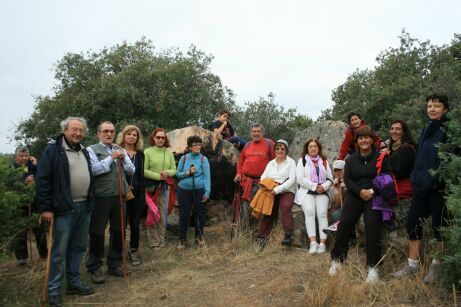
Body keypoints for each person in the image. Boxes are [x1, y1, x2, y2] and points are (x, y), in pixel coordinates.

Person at [36, 117, 95, 306]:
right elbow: (43, 180)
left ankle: (74, 283)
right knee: (59, 252)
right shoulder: (53, 150)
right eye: (74, 130)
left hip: (84, 206)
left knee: (78, 248)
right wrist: (46, 208)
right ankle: (53, 290)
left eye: (81, 130)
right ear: (65, 130)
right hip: (63, 209)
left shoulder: (84, 151)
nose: (78, 133)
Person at [394, 94, 450, 283]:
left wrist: (437, 180)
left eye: (436, 106)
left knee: (439, 227)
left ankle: (437, 266)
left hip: (439, 188)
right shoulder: (428, 128)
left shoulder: (448, 130)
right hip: (421, 187)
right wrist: (416, 178)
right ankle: (412, 265)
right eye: (429, 106)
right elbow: (421, 158)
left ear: (445, 109)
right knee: (412, 223)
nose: (432, 109)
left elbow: (448, 161)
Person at [329, 126, 392, 283]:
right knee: (345, 221)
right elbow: (348, 180)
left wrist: (370, 191)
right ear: (356, 141)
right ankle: (337, 260)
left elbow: (386, 177)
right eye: (360, 138)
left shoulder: (380, 157)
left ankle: (373, 267)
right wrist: (360, 192)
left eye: (366, 137)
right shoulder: (350, 160)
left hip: (374, 194)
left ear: (371, 140)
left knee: (372, 223)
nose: (364, 140)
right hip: (355, 194)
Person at [86, 121, 135, 284]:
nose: (109, 134)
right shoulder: (91, 150)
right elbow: (93, 170)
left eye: (112, 131)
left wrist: (123, 158)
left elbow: (131, 170)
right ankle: (95, 266)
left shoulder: (119, 149)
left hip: (120, 196)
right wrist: (110, 159)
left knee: (118, 231)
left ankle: (114, 264)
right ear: (98, 133)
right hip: (102, 197)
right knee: (98, 232)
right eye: (105, 131)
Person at [295, 139, 333, 254]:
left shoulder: (324, 161)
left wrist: (324, 187)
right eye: (310, 146)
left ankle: (322, 243)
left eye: (315, 146)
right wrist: (315, 186)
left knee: (322, 213)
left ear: (319, 148)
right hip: (307, 191)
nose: (313, 148)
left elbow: (330, 179)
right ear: (307, 148)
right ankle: (313, 242)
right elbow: (300, 179)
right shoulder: (302, 161)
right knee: (310, 212)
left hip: (322, 191)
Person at [11, 146, 48, 266]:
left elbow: (42, 178)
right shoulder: (11, 168)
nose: (24, 158)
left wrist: (36, 165)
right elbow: (9, 186)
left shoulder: (32, 166)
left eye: (26, 156)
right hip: (19, 205)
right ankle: (22, 260)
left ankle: (44, 255)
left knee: (40, 230)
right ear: (16, 156)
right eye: (21, 156)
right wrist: (23, 183)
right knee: (21, 232)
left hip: (35, 203)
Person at [234, 123, 275, 229]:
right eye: (254, 131)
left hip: (263, 183)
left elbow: (275, 162)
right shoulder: (247, 145)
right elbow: (241, 162)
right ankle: (242, 230)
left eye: (258, 131)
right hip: (246, 182)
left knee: (258, 208)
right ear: (251, 133)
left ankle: (255, 231)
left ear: (263, 133)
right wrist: (238, 174)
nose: (256, 133)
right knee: (244, 207)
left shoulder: (269, 143)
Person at [116, 125, 145, 266]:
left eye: (135, 135)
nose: (131, 137)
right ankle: (118, 251)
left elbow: (141, 174)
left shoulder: (140, 154)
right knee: (120, 224)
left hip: (138, 193)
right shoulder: (117, 151)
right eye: (129, 134)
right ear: (124, 135)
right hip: (121, 193)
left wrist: (143, 194)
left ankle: (133, 251)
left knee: (135, 224)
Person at [257, 139, 296, 245]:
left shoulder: (291, 162)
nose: (280, 151)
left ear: (286, 150)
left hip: (286, 190)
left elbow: (292, 180)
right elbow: (263, 177)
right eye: (277, 148)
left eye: (282, 149)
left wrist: (277, 189)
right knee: (268, 209)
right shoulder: (271, 163)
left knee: (285, 206)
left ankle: (288, 235)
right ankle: (262, 236)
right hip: (271, 189)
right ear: (275, 150)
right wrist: (269, 187)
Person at [143, 128, 177, 248]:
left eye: (163, 137)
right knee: (153, 213)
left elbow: (174, 169)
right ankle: (154, 242)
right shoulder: (147, 152)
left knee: (163, 214)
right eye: (158, 137)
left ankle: (161, 241)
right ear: (153, 138)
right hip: (151, 189)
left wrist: (167, 173)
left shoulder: (168, 153)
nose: (161, 139)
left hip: (165, 188)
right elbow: (144, 170)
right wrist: (158, 176)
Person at [176, 136, 211, 248]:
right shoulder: (184, 158)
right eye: (194, 145)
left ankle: (199, 238)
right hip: (184, 190)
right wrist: (187, 172)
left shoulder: (203, 159)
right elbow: (178, 174)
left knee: (199, 214)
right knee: (184, 214)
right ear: (190, 147)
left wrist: (207, 192)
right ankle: (182, 240)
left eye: (199, 144)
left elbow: (207, 177)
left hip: (199, 190)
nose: (197, 147)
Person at [382, 120, 416, 200]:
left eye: (398, 129)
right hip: (395, 184)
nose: (394, 131)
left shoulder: (406, 148)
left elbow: (399, 172)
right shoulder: (395, 147)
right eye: (392, 129)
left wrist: (384, 161)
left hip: (402, 185)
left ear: (404, 132)